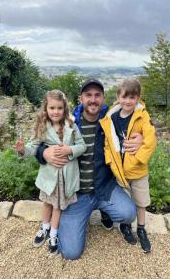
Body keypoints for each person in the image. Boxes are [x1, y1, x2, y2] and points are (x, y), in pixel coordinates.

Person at [36, 79, 143, 259]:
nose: (93, 100)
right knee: (71, 252)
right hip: (77, 194)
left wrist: (141, 139)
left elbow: (138, 116)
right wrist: (43, 153)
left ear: (103, 98)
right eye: (88, 95)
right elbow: (42, 138)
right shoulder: (69, 123)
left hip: (104, 188)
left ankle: (104, 211)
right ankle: (78, 217)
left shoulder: (111, 121)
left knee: (129, 213)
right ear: (81, 99)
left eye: (97, 95)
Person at [15, 90, 86, 255]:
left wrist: (70, 149)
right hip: (50, 177)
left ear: (64, 108)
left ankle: (53, 234)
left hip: (66, 178)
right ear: (46, 109)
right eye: (52, 108)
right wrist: (22, 150)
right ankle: (44, 227)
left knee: (58, 207)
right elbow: (33, 148)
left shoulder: (72, 125)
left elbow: (82, 146)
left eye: (59, 108)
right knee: (47, 203)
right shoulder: (43, 127)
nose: (55, 111)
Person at [100, 78, 157, 252]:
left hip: (138, 171)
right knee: (125, 201)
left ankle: (141, 228)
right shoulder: (111, 118)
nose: (128, 101)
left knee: (141, 202)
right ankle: (125, 226)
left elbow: (151, 140)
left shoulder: (142, 116)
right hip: (120, 172)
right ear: (118, 96)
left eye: (132, 98)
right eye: (124, 97)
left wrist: (138, 158)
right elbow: (108, 144)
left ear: (138, 98)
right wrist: (110, 161)